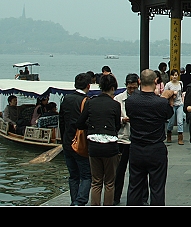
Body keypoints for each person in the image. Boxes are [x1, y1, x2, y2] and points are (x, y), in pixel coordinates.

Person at [125, 69, 175, 206]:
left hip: (136, 147)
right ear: (156, 81)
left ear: (139, 81)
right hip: (155, 148)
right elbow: (168, 114)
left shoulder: (130, 101)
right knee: (157, 188)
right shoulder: (160, 103)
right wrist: (166, 98)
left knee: (135, 186)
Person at [76, 73, 122, 206]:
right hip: (110, 146)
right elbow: (117, 126)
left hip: (94, 145)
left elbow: (79, 123)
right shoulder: (115, 105)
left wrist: (91, 126)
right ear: (113, 88)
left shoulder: (90, 102)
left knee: (96, 182)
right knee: (109, 182)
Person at [59, 72, 93, 206]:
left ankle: (74, 201)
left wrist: (63, 139)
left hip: (67, 141)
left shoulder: (66, 99)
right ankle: (80, 201)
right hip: (81, 143)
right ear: (88, 86)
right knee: (86, 175)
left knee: (73, 176)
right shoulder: (87, 101)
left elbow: (61, 121)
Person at [113, 73, 138, 206]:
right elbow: (113, 117)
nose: (132, 90)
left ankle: (137, 198)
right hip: (122, 139)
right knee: (119, 171)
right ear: (126, 86)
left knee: (137, 172)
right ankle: (115, 197)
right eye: (130, 88)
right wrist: (122, 119)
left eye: (134, 88)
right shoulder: (118, 99)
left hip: (136, 140)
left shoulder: (141, 99)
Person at [164, 69, 185, 145]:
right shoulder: (168, 85)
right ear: (170, 76)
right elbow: (165, 94)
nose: (174, 77)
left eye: (176, 75)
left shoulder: (180, 83)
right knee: (171, 121)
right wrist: (172, 94)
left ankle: (180, 138)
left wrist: (183, 100)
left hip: (180, 104)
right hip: (172, 104)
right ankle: (169, 135)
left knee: (180, 121)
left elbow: (182, 92)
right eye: (173, 75)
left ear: (178, 76)